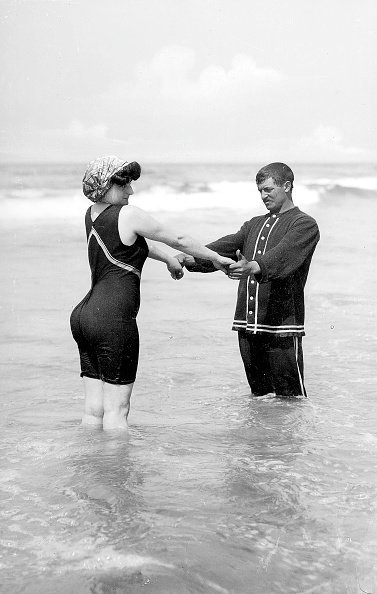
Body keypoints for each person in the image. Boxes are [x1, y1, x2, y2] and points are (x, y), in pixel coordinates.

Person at [70, 155, 234, 431]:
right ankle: (117, 474)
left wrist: (170, 259)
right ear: (107, 185)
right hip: (113, 319)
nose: (130, 191)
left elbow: (133, 244)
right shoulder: (129, 215)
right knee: (117, 413)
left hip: (84, 318)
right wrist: (216, 257)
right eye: (124, 186)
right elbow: (178, 238)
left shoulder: (92, 215)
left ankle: (90, 468)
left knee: (94, 411)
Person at [176, 162, 320, 398]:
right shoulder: (254, 224)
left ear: (287, 186)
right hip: (247, 325)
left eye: (268, 189)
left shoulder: (304, 224)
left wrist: (253, 266)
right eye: (260, 191)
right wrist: (189, 257)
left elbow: (282, 256)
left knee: (290, 400)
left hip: (281, 327)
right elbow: (225, 247)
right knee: (260, 398)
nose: (263, 196)